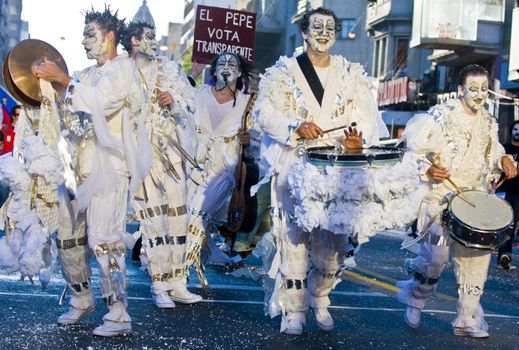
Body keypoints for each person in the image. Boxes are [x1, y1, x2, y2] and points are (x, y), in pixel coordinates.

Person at [253, 7, 381, 335]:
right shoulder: (283, 72)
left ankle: (320, 295)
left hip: (336, 170)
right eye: (316, 28)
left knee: (333, 247)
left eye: (329, 28)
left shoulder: (351, 73)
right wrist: (295, 125)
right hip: (294, 165)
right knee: (293, 240)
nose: (323, 33)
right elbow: (264, 112)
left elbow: (365, 118)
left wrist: (357, 140)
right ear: (305, 33)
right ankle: (293, 311)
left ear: (335, 34)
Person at [35, 6, 150, 337]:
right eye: (83, 36)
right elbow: (69, 113)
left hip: (109, 171)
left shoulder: (125, 69)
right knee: (68, 239)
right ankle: (82, 298)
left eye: (90, 35)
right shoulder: (86, 74)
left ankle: (118, 310)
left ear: (109, 37)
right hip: (76, 170)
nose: (84, 42)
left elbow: (102, 103)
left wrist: (62, 79)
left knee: (106, 243)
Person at [396, 64, 517, 338]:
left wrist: (503, 159)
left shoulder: (488, 121)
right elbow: (411, 151)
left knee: (476, 260)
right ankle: (416, 299)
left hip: (472, 200)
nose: (479, 95)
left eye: (484, 89)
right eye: (473, 89)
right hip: (438, 200)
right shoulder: (440, 116)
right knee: (435, 259)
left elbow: (494, 150)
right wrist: (427, 169)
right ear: (461, 90)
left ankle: (465, 319)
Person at [121, 21, 202, 307]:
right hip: (143, 159)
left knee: (179, 218)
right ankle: (159, 285)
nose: (154, 42)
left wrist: (175, 100)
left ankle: (178, 282)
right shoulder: (121, 72)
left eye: (155, 37)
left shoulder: (169, 69)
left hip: (172, 155)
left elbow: (192, 102)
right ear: (133, 41)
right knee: (154, 221)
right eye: (148, 37)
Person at [184, 52, 253, 280]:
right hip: (192, 168)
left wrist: (248, 140)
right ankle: (201, 257)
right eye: (221, 63)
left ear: (239, 73)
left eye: (231, 64)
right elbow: (178, 100)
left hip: (223, 171)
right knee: (185, 218)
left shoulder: (247, 104)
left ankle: (179, 273)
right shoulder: (200, 94)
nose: (226, 67)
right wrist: (193, 73)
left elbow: (259, 141)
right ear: (213, 71)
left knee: (197, 215)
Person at [497, 120, 519, 271]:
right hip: (505, 192)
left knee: (512, 225)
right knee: (506, 224)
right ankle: (504, 255)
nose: (518, 132)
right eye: (515, 129)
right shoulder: (504, 149)